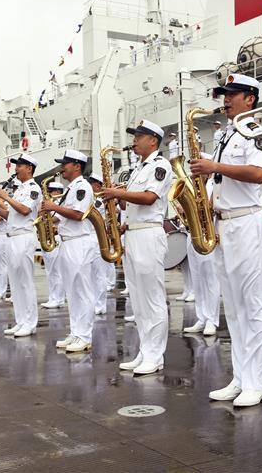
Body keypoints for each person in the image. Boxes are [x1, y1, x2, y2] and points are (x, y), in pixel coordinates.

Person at [190, 73, 262, 408]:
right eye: (224, 94)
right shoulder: (226, 135)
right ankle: (240, 378)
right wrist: (205, 201)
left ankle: (257, 383)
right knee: (235, 310)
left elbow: (258, 174)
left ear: (249, 99)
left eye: (232, 94)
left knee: (254, 306)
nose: (226, 99)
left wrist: (213, 166)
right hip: (225, 226)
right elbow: (221, 180)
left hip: (247, 224)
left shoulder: (254, 133)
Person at [101, 120, 173, 375]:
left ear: (153, 140)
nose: (134, 140)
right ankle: (145, 351)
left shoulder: (159, 166)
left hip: (149, 235)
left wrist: (117, 194)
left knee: (152, 298)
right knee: (139, 300)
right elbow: (129, 206)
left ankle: (156, 355)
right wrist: (118, 203)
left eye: (139, 136)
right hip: (133, 234)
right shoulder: (136, 170)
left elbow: (149, 198)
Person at [43, 150, 100, 352]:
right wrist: (48, 218)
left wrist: (53, 207)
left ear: (77, 166)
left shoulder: (82, 187)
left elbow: (78, 214)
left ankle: (84, 336)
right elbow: (64, 216)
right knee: (72, 291)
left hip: (80, 243)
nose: (62, 167)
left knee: (82, 291)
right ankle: (76, 332)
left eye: (65, 163)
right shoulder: (71, 189)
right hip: (68, 242)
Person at [0, 154, 42, 337]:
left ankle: (30, 322)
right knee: (14, 283)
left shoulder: (33, 188)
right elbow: (10, 215)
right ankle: (21, 321)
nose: (16, 168)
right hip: (12, 237)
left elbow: (24, 209)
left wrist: (5, 197)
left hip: (23, 237)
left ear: (29, 168)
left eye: (20, 165)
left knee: (25, 282)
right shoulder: (20, 190)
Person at [182, 154, 221, 337]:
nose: (194, 171)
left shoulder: (213, 184)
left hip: (208, 233)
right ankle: (201, 317)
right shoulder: (195, 185)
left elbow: (211, 206)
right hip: (193, 233)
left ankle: (212, 320)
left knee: (210, 278)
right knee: (197, 278)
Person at [88, 172, 115, 311]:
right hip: (91, 236)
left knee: (100, 274)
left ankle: (101, 305)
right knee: (93, 274)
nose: (90, 185)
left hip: (98, 236)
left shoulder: (98, 201)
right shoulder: (93, 198)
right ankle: (95, 303)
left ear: (98, 185)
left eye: (92, 183)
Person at [39, 181, 66, 309]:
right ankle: (52, 297)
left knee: (57, 271)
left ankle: (59, 299)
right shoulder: (49, 205)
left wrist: (45, 213)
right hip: (47, 238)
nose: (48, 194)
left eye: (50, 192)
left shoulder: (61, 205)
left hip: (56, 238)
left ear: (57, 192)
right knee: (49, 271)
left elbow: (54, 220)